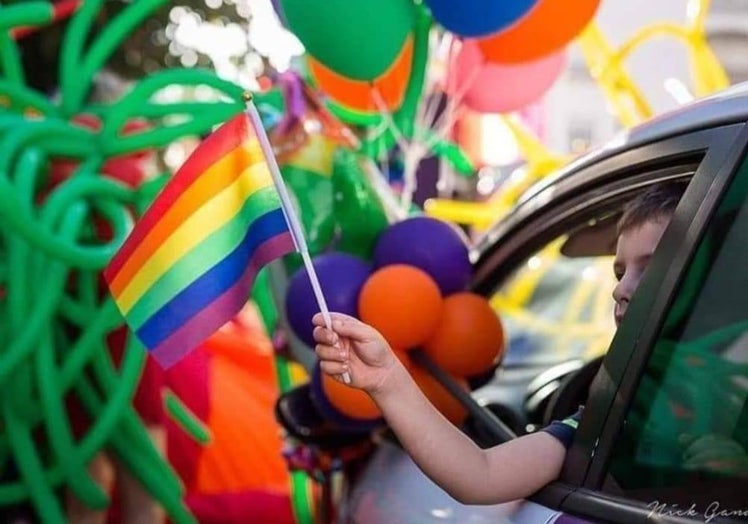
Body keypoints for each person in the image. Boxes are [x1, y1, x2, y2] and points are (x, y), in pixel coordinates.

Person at [312, 182, 687, 505]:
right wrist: (387, 380)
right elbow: (481, 474)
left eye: (651, 266)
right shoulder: (612, 413)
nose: (621, 288)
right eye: (620, 272)